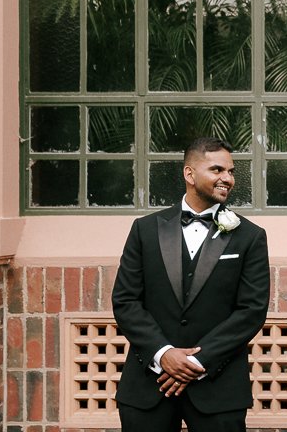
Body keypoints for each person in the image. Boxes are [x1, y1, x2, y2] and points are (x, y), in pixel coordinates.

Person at [112, 136, 270, 432]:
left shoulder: (250, 236)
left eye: (231, 171)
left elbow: (252, 310)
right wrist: (163, 354)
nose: (228, 179)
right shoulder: (145, 230)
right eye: (217, 170)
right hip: (148, 384)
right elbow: (126, 300)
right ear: (189, 174)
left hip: (218, 387)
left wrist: (197, 362)